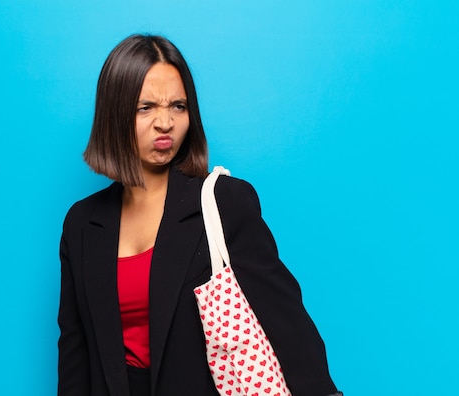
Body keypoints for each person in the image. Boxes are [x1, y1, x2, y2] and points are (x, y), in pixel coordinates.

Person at [58, 34, 341, 396]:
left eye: (178, 105)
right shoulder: (82, 223)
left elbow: (287, 326)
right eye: (146, 108)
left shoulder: (225, 203)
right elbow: (75, 352)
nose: (165, 123)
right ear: (114, 115)